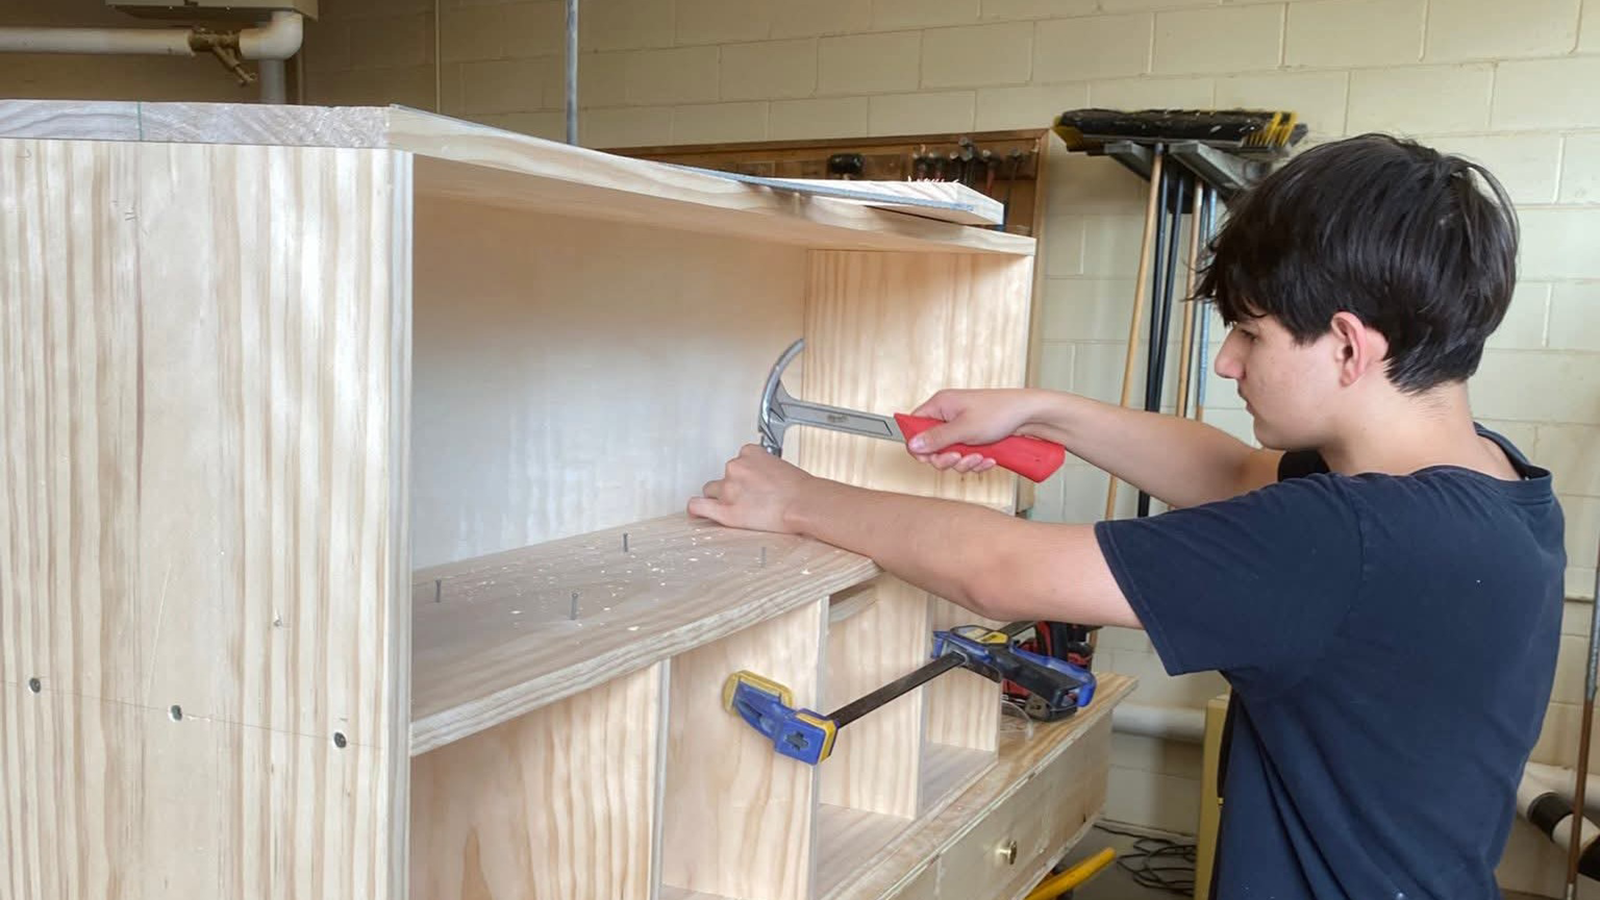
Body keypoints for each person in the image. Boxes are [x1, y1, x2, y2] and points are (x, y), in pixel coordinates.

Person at [687, 134, 1567, 900]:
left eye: (1251, 334)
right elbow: (1232, 470)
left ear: (1348, 345)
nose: (1227, 362)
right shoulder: (1491, 484)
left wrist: (797, 497)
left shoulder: (1353, 539)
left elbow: (1001, 571)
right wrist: (1040, 410)